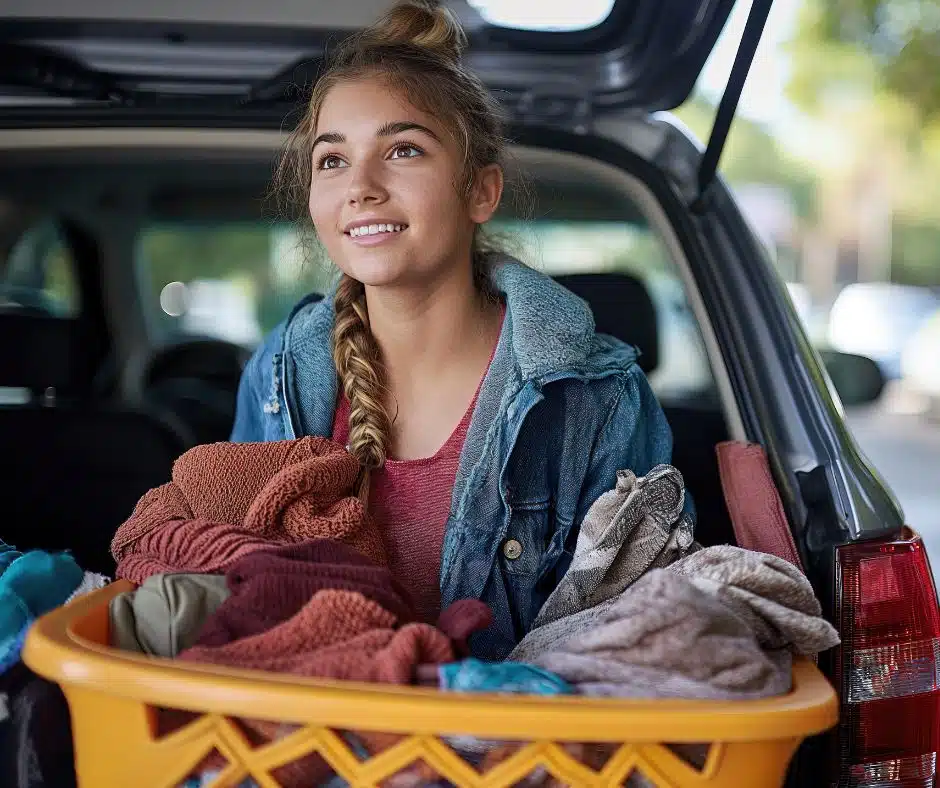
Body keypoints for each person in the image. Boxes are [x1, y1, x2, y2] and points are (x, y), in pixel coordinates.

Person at [231, 0, 684, 660]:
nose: (359, 186)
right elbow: (233, 590)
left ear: (481, 192)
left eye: (403, 150)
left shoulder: (596, 399)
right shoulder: (280, 375)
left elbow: (639, 646)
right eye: (332, 161)